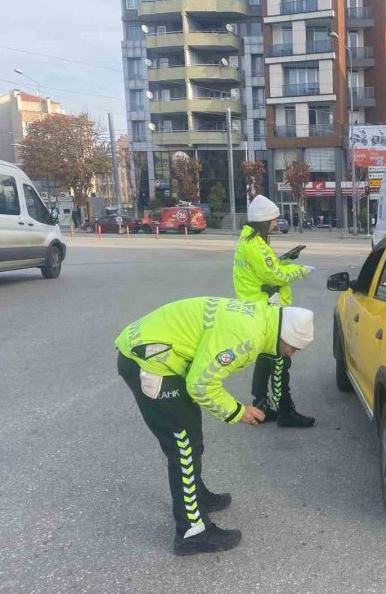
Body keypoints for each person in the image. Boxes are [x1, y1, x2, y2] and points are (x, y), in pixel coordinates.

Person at [115, 298, 314, 555]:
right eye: (293, 348)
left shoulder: (261, 318)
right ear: (284, 336)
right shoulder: (246, 336)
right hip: (151, 363)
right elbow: (200, 385)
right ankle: (191, 532)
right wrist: (238, 412)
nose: (291, 354)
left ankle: (196, 498)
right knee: (183, 447)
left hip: (154, 352)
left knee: (190, 438)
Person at [234, 195, 316, 428]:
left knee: (264, 358)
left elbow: (268, 269)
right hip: (267, 309)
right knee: (281, 359)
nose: (274, 224)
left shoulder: (248, 241)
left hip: (257, 307)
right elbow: (275, 275)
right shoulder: (255, 245)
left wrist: (284, 260)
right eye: (272, 220)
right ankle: (285, 411)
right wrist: (299, 270)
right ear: (263, 220)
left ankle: (261, 406)